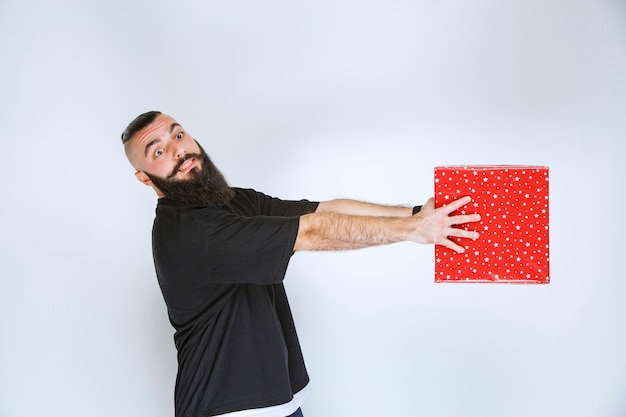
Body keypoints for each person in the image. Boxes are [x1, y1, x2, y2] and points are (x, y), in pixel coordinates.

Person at [121, 111, 480, 417]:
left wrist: (415, 213)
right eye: (159, 151)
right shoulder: (190, 232)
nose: (179, 150)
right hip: (229, 406)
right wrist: (412, 230)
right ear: (143, 176)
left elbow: (323, 209)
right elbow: (310, 231)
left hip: (276, 401)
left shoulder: (230, 202)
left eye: (179, 135)